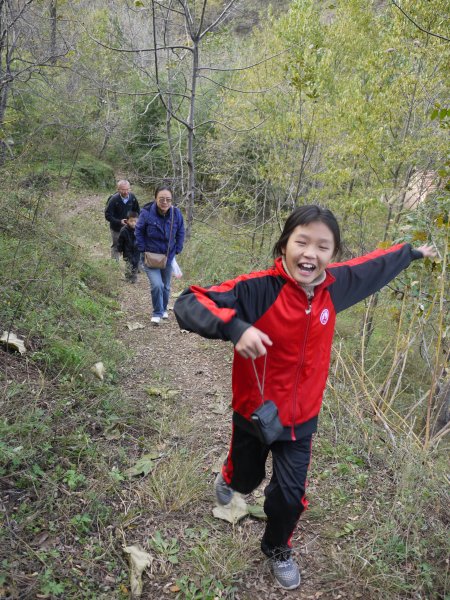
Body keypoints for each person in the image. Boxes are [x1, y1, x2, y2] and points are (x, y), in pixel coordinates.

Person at [173, 205, 436, 591]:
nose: (310, 253)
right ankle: (230, 475)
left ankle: (278, 547)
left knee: (290, 496)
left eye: (322, 246)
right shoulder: (256, 288)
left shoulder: (337, 287)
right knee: (246, 481)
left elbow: (372, 266)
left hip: (301, 420)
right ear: (284, 245)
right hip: (254, 413)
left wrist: (411, 252)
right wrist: (234, 326)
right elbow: (189, 302)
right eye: (302, 242)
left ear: (332, 255)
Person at [135, 184, 185, 325]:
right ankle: (157, 312)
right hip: (150, 257)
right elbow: (138, 231)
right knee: (157, 285)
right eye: (161, 199)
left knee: (166, 286)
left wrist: (177, 249)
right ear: (155, 198)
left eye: (168, 199)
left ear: (172, 200)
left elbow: (181, 231)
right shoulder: (146, 213)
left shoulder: (176, 214)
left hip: (168, 257)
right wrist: (143, 248)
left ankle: (163, 309)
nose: (165, 202)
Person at [105, 180, 140, 260]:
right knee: (116, 245)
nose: (125, 191)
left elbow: (137, 211)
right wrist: (119, 221)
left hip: (131, 228)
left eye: (127, 189)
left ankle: (132, 265)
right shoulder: (113, 199)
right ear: (118, 189)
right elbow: (107, 215)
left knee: (132, 246)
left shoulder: (132, 197)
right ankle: (115, 265)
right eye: (123, 189)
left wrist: (134, 221)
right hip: (116, 228)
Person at [117, 211, 140, 283]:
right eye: (131, 221)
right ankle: (128, 277)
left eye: (135, 221)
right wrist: (120, 249)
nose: (133, 223)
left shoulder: (139, 229)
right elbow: (120, 241)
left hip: (137, 250)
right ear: (127, 221)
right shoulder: (124, 230)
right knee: (129, 263)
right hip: (127, 250)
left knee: (136, 263)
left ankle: (134, 277)